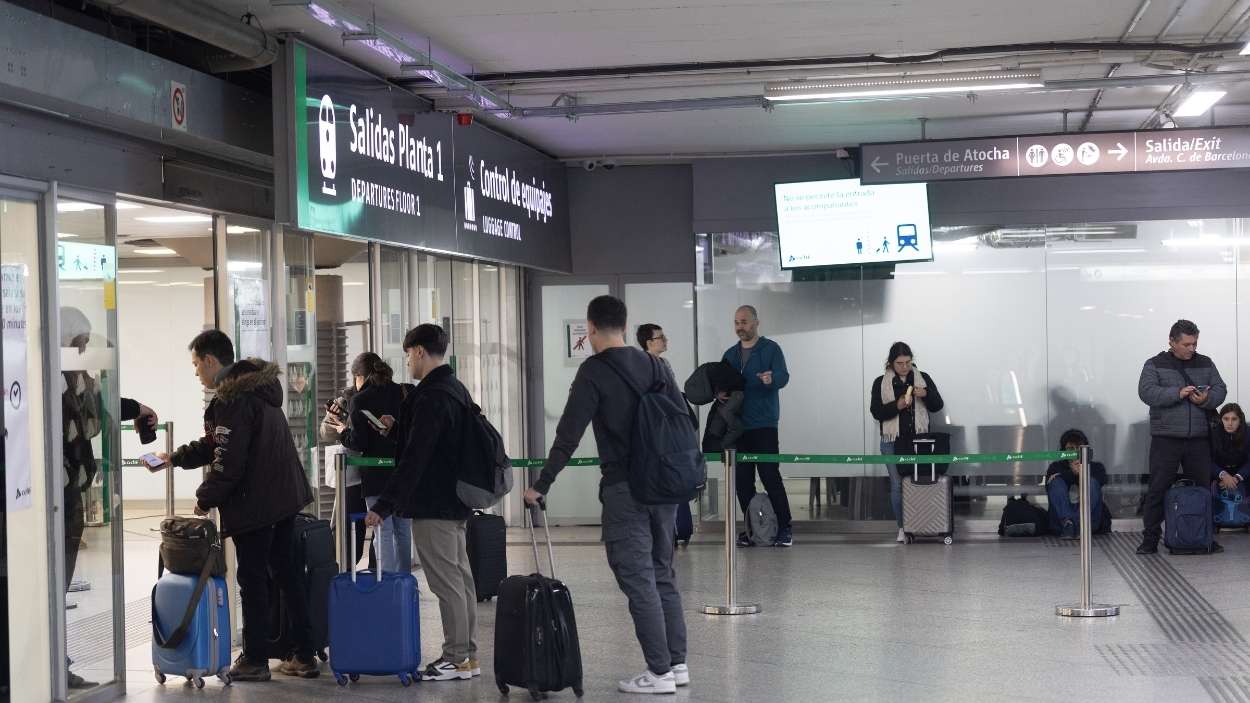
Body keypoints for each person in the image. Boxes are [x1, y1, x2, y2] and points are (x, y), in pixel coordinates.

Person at [524, 295, 689, 695]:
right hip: (665, 486)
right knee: (662, 572)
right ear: (625, 324)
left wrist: (541, 484)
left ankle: (659, 671)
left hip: (625, 488)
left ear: (591, 327)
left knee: (638, 578)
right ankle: (677, 663)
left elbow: (568, 435)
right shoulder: (656, 364)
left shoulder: (594, 372)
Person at [158, 330, 318, 681]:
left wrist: (205, 497)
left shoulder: (234, 399)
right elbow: (216, 444)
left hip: (256, 505)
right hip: (282, 498)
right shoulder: (256, 390)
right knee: (288, 574)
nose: (197, 372)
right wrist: (174, 457)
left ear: (212, 361)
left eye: (197, 364)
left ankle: (255, 659)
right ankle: (304, 653)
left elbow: (229, 460)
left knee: (253, 578)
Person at [365, 324, 479, 683]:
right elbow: (434, 442)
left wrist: (383, 505)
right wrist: (397, 430)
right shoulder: (454, 388)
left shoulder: (431, 395)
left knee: (447, 583)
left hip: (434, 504)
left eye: (408, 354)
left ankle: (456, 657)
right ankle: (467, 656)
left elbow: (417, 457)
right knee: (461, 581)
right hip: (455, 501)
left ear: (418, 351)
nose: (407, 363)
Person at [60, 306, 159, 689]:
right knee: (52, 582)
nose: (87, 349)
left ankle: (56, 658)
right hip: (54, 498)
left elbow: (100, 409)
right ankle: (51, 662)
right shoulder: (53, 382)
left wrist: (136, 408)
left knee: (63, 579)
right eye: (81, 342)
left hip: (71, 496)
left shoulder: (80, 382)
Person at [1136, 319, 1227, 555]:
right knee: (1157, 489)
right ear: (1172, 342)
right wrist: (1177, 393)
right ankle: (1150, 540)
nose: (1192, 349)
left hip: (1198, 438)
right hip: (1166, 438)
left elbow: (1220, 389)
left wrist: (1204, 400)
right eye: (1186, 344)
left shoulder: (1206, 363)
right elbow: (1146, 392)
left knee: (1203, 489)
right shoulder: (1154, 364)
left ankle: (1204, 537)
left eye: (1194, 344)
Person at [722, 305, 792, 548]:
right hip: (738, 428)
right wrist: (720, 393)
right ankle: (753, 528)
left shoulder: (771, 349)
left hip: (764, 425)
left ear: (756, 323)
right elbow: (722, 384)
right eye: (736, 322)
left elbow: (784, 376)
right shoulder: (730, 354)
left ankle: (784, 528)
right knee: (742, 481)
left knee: (770, 476)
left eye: (744, 322)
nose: (740, 327)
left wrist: (772, 379)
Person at [339, 352, 409, 573]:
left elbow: (359, 442)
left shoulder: (359, 400)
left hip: (376, 475)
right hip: (402, 471)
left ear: (360, 376)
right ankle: (405, 580)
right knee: (403, 530)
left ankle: (388, 582)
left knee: (382, 531)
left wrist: (342, 431)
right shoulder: (403, 392)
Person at [869, 342, 944, 543]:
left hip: (919, 442)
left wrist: (926, 394)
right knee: (897, 486)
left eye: (908, 362)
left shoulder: (922, 379)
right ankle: (902, 528)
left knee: (920, 483)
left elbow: (938, 406)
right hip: (892, 442)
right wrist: (897, 405)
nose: (904, 367)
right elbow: (877, 412)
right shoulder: (881, 382)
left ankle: (920, 525)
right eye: (900, 363)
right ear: (891, 363)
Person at [319, 383, 371, 569]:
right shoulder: (346, 398)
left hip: (375, 470)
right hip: (350, 474)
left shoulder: (380, 397)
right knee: (349, 523)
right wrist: (335, 420)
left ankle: (370, 568)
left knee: (376, 525)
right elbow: (325, 432)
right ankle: (344, 568)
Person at [1044, 429, 1108, 539]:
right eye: (1070, 449)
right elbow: (1050, 487)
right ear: (1063, 451)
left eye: (1078, 449)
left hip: (1088, 524)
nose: (1075, 453)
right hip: (1062, 525)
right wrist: (1071, 472)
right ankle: (1068, 523)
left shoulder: (1096, 467)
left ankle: (1077, 523)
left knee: (1091, 482)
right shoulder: (1055, 467)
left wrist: (1081, 473)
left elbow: (1101, 480)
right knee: (1056, 483)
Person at [1212, 403, 1250, 491]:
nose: (1230, 423)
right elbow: (1208, 460)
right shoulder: (1214, 434)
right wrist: (1223, 475)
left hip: (1243, 473)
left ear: (1240, 420)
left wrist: (1237, 477)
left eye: (1234, 419)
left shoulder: (1248, 433)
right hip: (1218, 473)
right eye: (1226, 419)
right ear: (1221, 420)